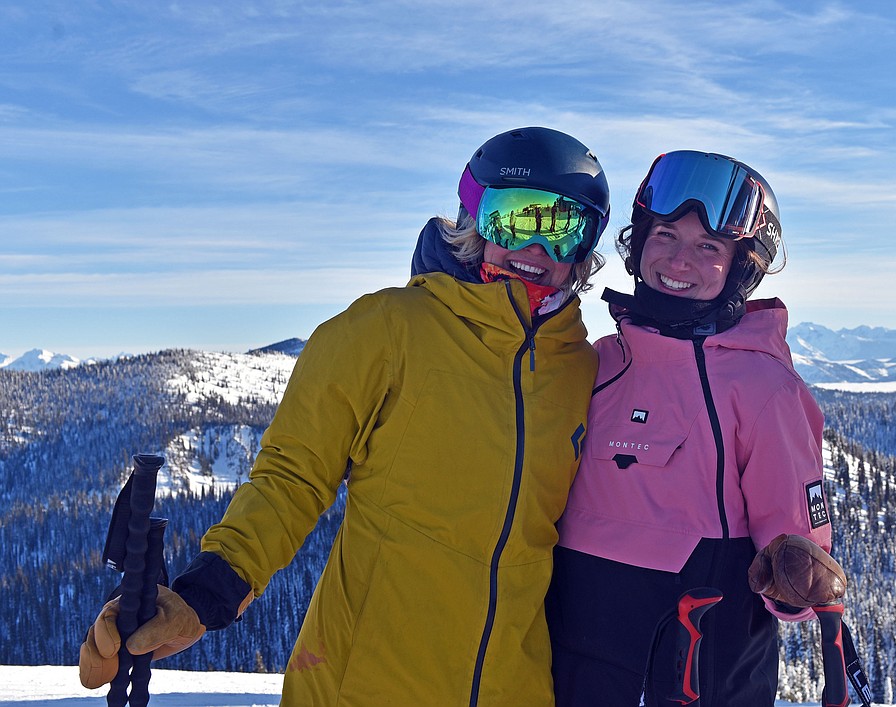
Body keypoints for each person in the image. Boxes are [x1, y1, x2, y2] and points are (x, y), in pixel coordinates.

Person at [80, 126, 611, 706]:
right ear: (474, 220)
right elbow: (292, 477)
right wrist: (204, 595)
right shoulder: (386, 329)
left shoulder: (586, 372)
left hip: (517, 689)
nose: (537, 249)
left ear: (584, 250)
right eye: (516, 218)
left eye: (564, 228)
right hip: (363, 685)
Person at [546, 150, 849, 706]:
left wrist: (795, 574)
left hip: (698, 661)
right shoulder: (596, 363)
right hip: (571, 645)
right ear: (638, 245)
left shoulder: (761, 385)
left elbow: (794, 540)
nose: (678, 261)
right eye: (664, 235)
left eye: (708, 247)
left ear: (740, 266)